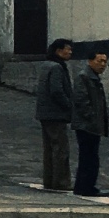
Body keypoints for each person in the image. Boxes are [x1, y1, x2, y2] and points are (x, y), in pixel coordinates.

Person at [34, 38, 76, 191]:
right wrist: (69, 106)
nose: (70, 52)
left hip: (45, 113)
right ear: (59, 51)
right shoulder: (57, 68)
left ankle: (49, 180)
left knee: (49, 149)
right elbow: (57, 90)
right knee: (60, 149)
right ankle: (61, 182)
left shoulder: (46, 66)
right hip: (56, 114)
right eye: (68, 49)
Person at [71, 49, 109, 197]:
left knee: (91, 157)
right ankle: (84, 186)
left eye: (105, 61)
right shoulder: (84, 77)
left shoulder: (93, 77)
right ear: (90, 61)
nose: (102, 64)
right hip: (87, 125)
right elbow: (81, 101)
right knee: (88, 157)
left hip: (92, 124)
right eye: (99, 61)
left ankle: (87, 185)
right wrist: (92, 118)